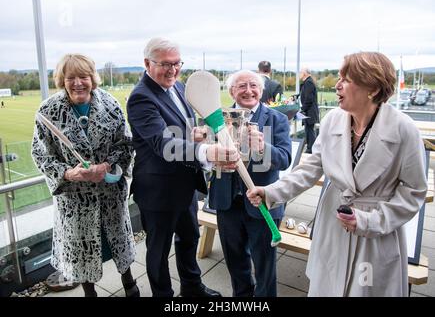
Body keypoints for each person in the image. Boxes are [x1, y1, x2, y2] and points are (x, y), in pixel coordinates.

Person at [247, 52, 428, 297]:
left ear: (372, 88)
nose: (337, 84)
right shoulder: (333, 120)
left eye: (346, 78)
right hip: (333, 226)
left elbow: (414, 191)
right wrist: (271, 192)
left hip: (374, 234)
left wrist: (370, 221)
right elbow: (310, 168)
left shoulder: (404, 130)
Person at [127, 37, 236, 297]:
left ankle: (192, 288)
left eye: (177, 64)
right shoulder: (141, 98)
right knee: (158, 251)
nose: (173, 70)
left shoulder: (177, 86)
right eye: (166, 64)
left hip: (185, 184)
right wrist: (207, 151)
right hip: (158, 191)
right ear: (147, 63)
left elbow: (179, 131)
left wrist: (196, 133)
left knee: (189, 240)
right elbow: (163, 143)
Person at [31, 54, 139, 297]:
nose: (78, 83)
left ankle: (129, 283)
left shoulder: (110, 104)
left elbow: (125, 143)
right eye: (71, 78)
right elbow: (40, 155)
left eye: (84, 76)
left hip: (110, 195)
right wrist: (68, 173)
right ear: (62, 80)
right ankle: (90, 292)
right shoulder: (48, 111)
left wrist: (106, 165)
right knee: (83, 251)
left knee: (117, 243)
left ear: (93, 78)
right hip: (75, 202)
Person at [208, 70, 292, 297]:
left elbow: (285, 160)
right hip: (227, 203)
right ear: (232, 91)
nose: (248, 90)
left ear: (262, 90)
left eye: (253, 85)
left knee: (265, 267)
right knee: (236, 264)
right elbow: (204, 158)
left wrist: (264, 148)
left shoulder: (278, 119)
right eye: (241, 86)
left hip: (262, 204)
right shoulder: (217, 119)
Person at [299, 67, 319, 153]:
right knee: (308, 130)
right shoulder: (307, 82)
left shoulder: (309, 83)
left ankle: (311, 149)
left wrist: (302, 109)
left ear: (305, 73)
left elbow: (308, 99)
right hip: (308, 111)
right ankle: (310, 148)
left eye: (301, 72)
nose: (299, 74)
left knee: (309, 131)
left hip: (309, 112)